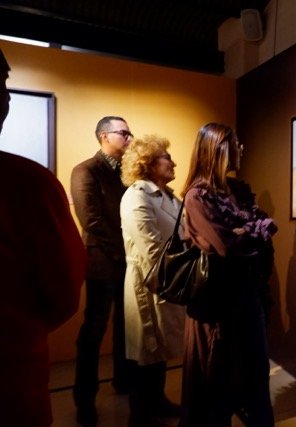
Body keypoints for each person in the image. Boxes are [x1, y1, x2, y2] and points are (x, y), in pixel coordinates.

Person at [0, 47, 86, 426]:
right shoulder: (29, 184)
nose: (7, 98)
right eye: (1, 84)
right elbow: (63, 293)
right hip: (12, 383)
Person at [179, 122, 277, 426]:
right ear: (220, 149)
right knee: (215, 382)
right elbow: (225, 246)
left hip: (248, 295)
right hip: (216, 305)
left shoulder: (239, 189)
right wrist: (249, 231)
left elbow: (265, 227)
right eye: (236, 144)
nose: (242, 149)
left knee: (256, 373)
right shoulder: (197, 197)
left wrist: (244, 231)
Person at [70, 115, 136, 426]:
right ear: (104, 136)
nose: (130, 138)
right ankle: (85, 399)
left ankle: (123, 381)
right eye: (124, 133)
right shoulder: (86, 170)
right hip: (103, 262)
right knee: (93, 331)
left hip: (126, 260)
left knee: (126, 327)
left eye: (130, 133)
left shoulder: (126, 171)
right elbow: (91, 220)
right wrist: (123, 251)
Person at [119, 135, 185, 423]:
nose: (173, 163)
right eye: (166, 157)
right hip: (149, 283)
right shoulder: (137, 196)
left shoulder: (167, 195)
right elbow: (151, 249)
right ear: (147, 162)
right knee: (148, 350)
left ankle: (157, 402)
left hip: (168, 279)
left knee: (159, 352)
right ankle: (142, 414)